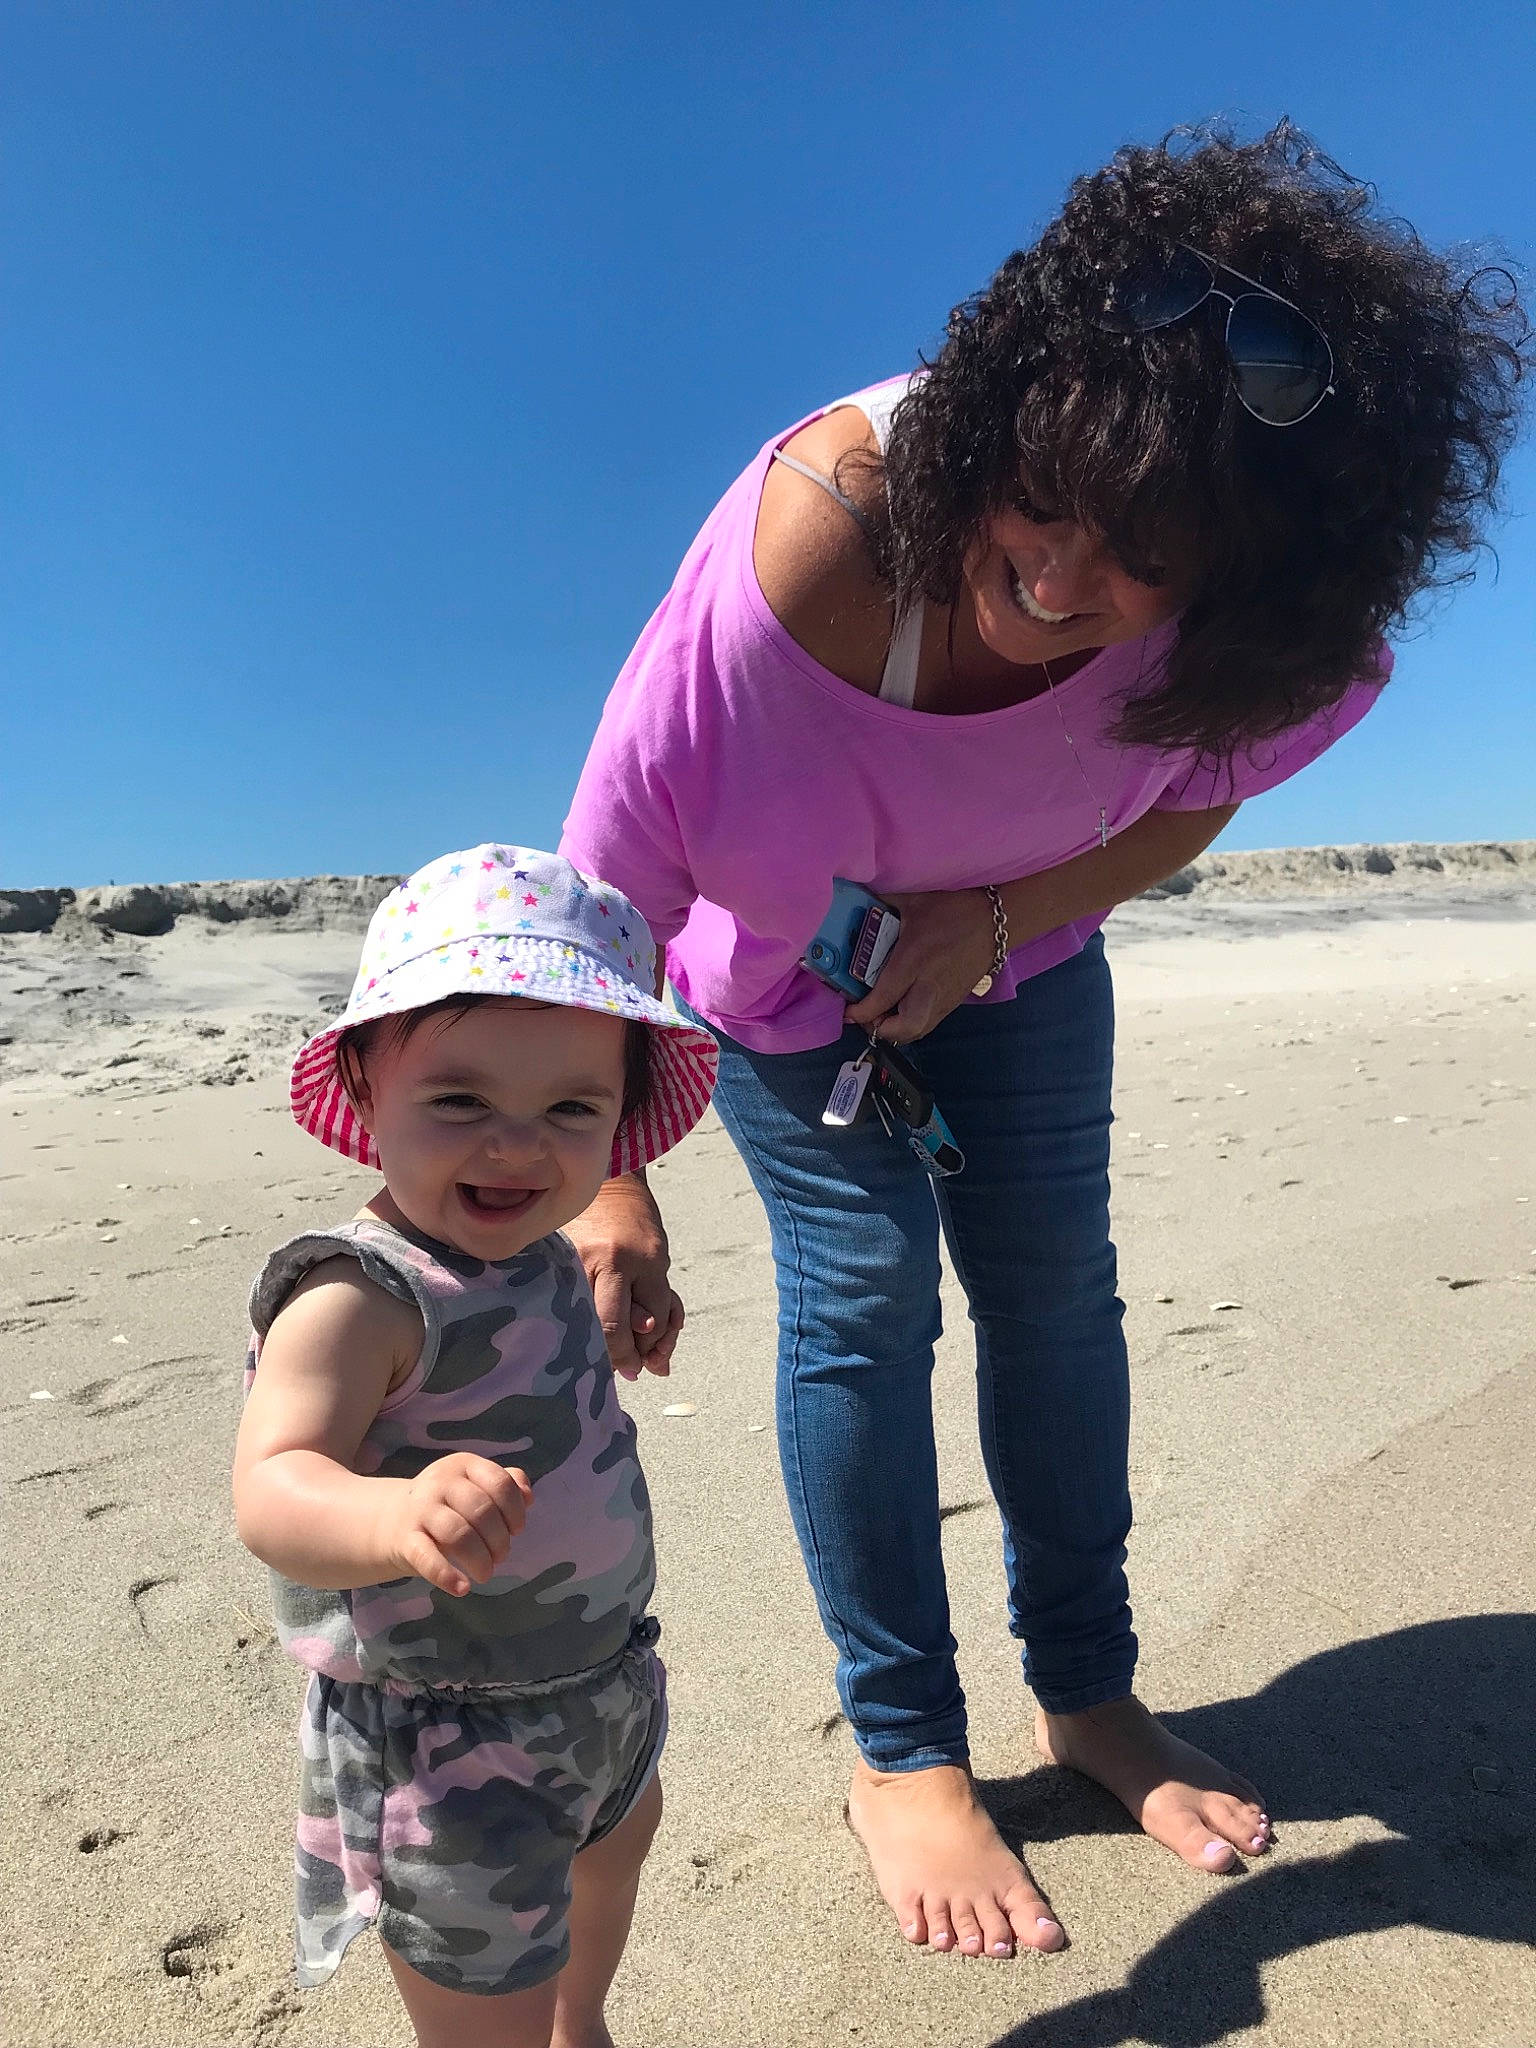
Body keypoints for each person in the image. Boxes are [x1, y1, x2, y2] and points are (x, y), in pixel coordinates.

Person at [558, 121, 1530, 1963]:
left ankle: (1088, 1695)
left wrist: (993, 922)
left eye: (1144, 556)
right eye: (1044, 494)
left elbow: (1185, 807)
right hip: (777, 995)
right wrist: (617, 1183)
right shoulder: (809, 563)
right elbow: (602, 881)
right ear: (1003, 408)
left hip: (1017, 957)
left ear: (1242, 576)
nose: (1063, 575)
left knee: (1056, 1298)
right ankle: (906, 1750)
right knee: (862, 1298)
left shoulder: (1279, 637)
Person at [232, 846, 717, 2048]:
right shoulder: (358, 1294)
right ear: (365, 1084)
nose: (515, 1147)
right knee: (478, 1993)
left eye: (569, 1109)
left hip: (602, 1686)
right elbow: (272, 1485)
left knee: (610, 1864)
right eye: (460, 1101)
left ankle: (583, 2022)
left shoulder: (545, 1252)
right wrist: (389, 1515)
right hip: (449, 1738)